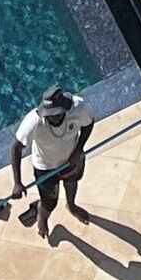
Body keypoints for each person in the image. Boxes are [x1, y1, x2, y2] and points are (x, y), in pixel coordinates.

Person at [10, 82, 93, 239]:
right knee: (49, 202)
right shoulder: (34, 122)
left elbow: (88, 124)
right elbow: (16, 148)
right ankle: (42, 218)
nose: (53, 116)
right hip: (46, 167)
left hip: (71, 159)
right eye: (50, 113)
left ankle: (71, 205)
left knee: (72, 183)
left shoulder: (78, 107)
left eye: (56, 113)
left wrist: (78, 150)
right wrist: (17, 183)